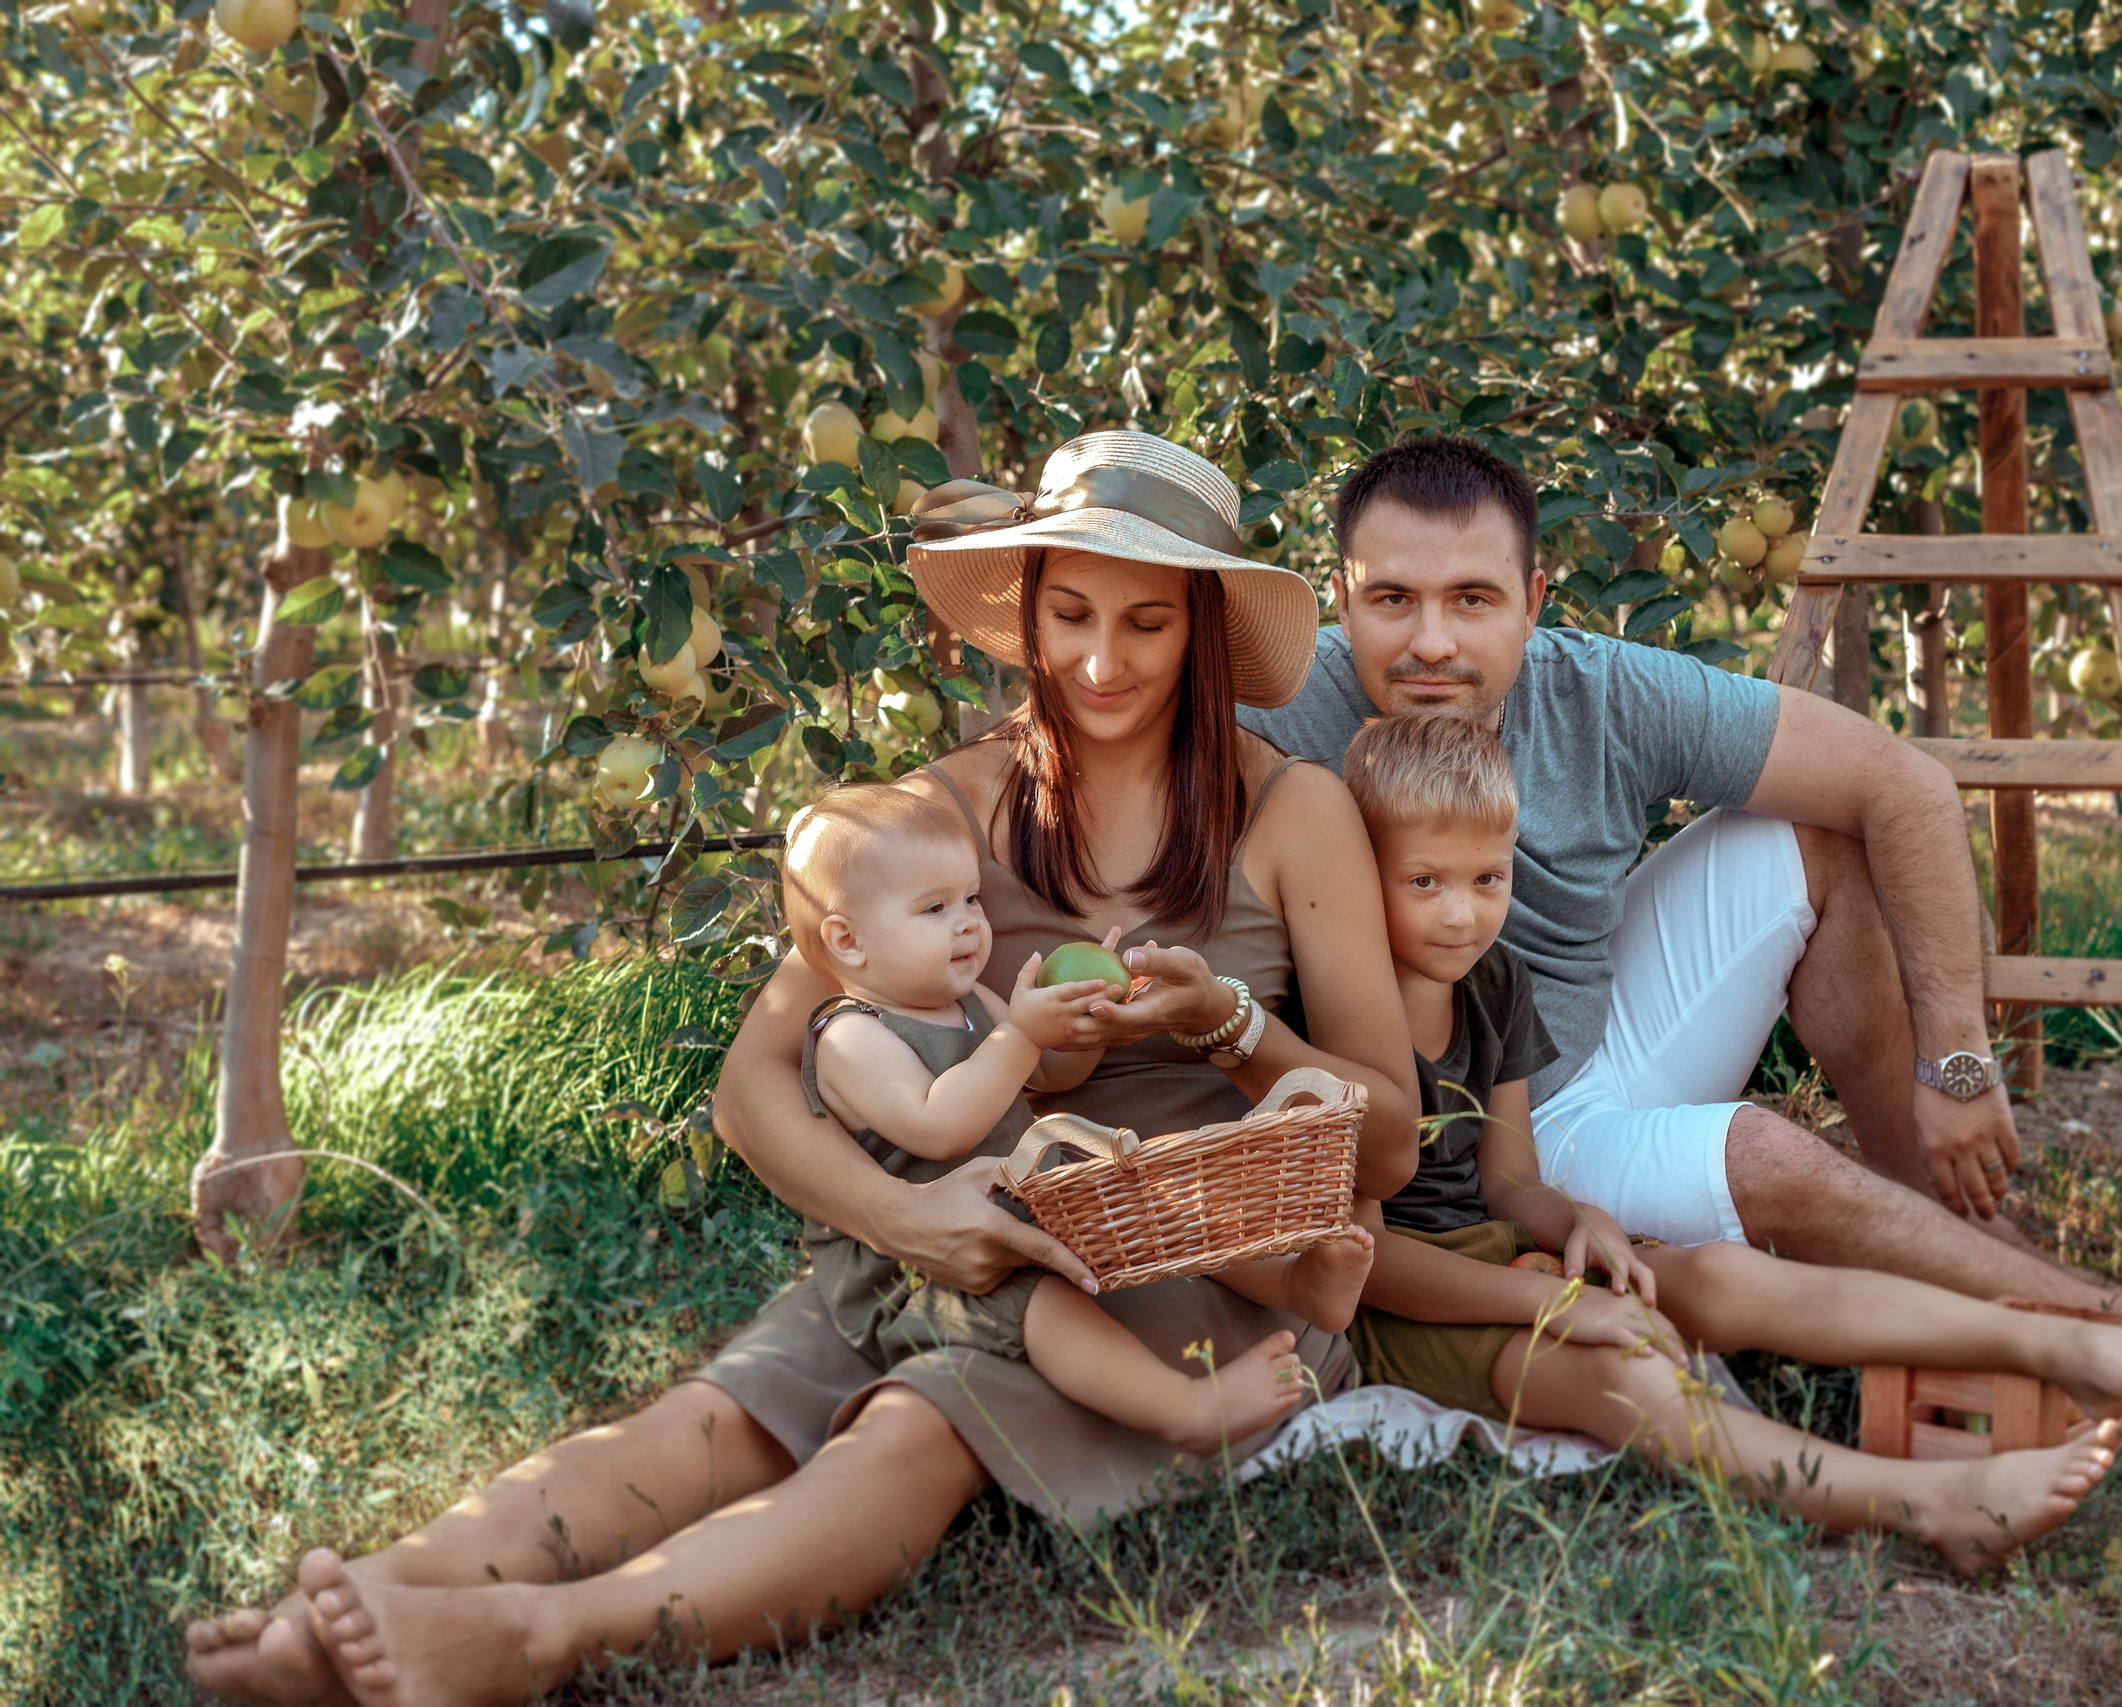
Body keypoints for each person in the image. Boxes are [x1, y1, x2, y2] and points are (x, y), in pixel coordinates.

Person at [184, 431, 1417, 1705]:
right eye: (1069, 615)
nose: (1100, 662)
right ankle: (368, 1604)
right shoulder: (949, 808)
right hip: (964, 1227)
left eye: (1147, 624)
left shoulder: (1290, 814)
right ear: (1027, 615)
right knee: (714, 1415)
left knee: (918, 1422)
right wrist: (910, 1218)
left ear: (1202, 630)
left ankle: (542, 1640)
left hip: (1192, 1253)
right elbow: (752, 1086)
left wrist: (1222, 1024)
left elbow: (1385, 1145)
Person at [1239, 435, 2122, 1379]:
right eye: (1392, 598)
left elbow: (1906, 786)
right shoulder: (1282, 712)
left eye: (1472, 599)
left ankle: (1926, 1216)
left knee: (1820, 828)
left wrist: (1957, 1065)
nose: (1430, 640)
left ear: (1534, 602)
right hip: (1473, 1133)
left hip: (1581, 1049)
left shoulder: (1606, 689)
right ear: (1341, 596)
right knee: (1768, 1154)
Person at [1339, 711, 2122, 1570]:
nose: (1461, 913)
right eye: (1424, 882)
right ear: (1359, 877)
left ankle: (2055, 1342)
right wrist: (1554, 1305)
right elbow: (1372, 1259)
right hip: (1411, 1312)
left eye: (1487, 878)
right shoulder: (1343, 1017)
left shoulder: (1496, 981)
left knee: (1723, 1273)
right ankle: (1934, 1504)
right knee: (1624, 1376)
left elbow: (1510, 1178)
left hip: (1503, 1257)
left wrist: (1575, 1222)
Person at [785, 782, 1369, 1458]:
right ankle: (1184, 1407)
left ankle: (1294, 1283)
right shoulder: (850, 1036)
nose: (970, 921)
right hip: (926, 1263)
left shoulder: (969, 999)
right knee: (1044, 1305)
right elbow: (938, 1124)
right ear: (847, 941)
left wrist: (1083, 1019)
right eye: (936, 907)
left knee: (1155, 1205)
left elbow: (1052, 1078)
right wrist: (1021, 1035)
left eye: (972, 898)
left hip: (1013, 1200)